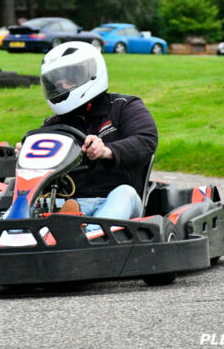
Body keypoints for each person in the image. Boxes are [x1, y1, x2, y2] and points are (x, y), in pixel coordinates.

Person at [18, 41, 158, 220]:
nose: (60, 85)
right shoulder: (53, 124)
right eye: (56, 82)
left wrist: (107, 151)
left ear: (90, 74)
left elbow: (145, 141)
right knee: (29, 198)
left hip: (112, 200)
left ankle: (90, 231)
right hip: (63, 204)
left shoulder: (123, 107)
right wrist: (26, 154)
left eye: (68, 79)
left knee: (125, 192)